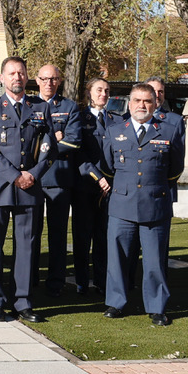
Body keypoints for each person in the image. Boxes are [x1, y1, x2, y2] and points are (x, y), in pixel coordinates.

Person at [0, 56, 54, 323]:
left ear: (27, 76)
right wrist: (15, 176)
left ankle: (23, 301)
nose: (17, 77)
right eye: (11, 73)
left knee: (26, 247)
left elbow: (49, 150)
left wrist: (32, 175)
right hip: (0, 186)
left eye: (21, 73)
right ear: (2, 78)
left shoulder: (40, 107)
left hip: (30, 188)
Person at [101, 83, 184, 326]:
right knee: (117, 258)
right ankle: (116, 303)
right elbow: (107, 167)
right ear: (129, 103)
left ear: (155, 104)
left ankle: (157, 307)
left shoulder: (168, 131)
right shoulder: (116, 130)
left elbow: (176, 168)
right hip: (122, 204)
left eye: (147, 101)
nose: (142, 105)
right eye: (137, 100)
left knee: (154, 260)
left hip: (155, 203)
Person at [31, 64, 81, 296]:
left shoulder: (69, 107)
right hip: (33, 179)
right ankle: (29, 279)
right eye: (45, 79)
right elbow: (24, 141)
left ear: (59, 81)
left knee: (58, 235)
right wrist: (54, 138)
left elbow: (73, 141)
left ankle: (55, 283)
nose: (49, 83)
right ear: (37, 80)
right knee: (30, 233)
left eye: (54, 79)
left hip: (59, 179)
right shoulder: (28, 105)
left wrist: (45, 143)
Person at [72, 78, 113, 294]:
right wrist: (98, 177)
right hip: (86, 186)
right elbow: (78, 153)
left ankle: (101, 281)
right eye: (99, 90)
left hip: (108, 190)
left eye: (107, 91)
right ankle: (81, 281)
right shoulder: (79, 119)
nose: (103, 94)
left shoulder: (115, 120)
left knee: (103, 237)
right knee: (82, 237)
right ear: (90, 92)